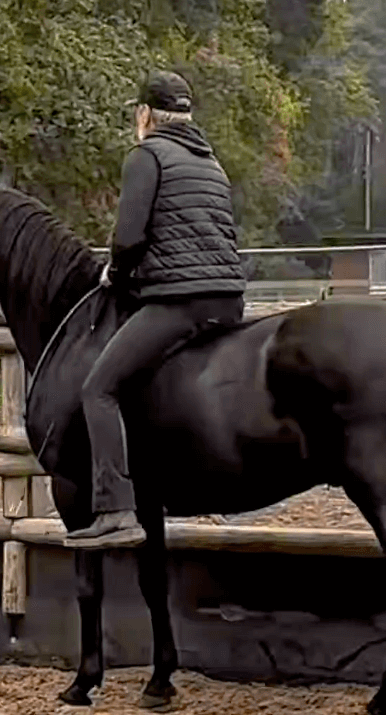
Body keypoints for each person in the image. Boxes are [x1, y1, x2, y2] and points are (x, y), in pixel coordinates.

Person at [62, 70, 248, 550]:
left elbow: (128, 238)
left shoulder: (146, 157)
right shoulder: (212, 163)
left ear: (145, 115)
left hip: (180, 301)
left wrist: (116, 276)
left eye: (136, 113)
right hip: (228, 299)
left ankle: (115, 509)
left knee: (99, 388)